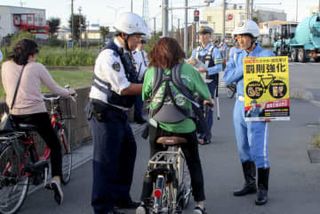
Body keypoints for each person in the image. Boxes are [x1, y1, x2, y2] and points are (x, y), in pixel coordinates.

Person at [136, 37, 212, 214]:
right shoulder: (189, 70)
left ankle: (143, 203)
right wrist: (207, 101)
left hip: (158, 126)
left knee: (153, 162)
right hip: (184, 128)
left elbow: (144, 96)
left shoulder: (151, 71)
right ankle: (200, 204)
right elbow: (206, 94)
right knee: (193, 162)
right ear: (179, 51)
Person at [1, 39, 76, 205]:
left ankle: (29, 167)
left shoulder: (5, 65)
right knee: (55, 145)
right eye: (35, 54)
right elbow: (55, 89)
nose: (35, 58)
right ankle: (56, 178)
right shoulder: (37, 67)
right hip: (36, 115)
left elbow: (12, 89)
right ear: (30, 54)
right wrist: (69, 92)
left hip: (14, 114)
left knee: (23, 142)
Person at [86, 12, 148, 214]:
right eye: (136, 36)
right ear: (123, 34)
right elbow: (124, 88)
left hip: (119, 114)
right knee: (105, 161)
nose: (139, 40)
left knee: (127, 153)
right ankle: (102, 207)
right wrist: (154, 85)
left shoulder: (124, 54)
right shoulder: (109, 55)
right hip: (104, 114)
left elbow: (138, 76)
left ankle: (121, 198)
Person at [223, 20, 275, 206]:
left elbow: (276, 82)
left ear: (252, 37)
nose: (239, 40)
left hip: (258, 105)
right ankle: (250, 182)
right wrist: (244, 66)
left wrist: (271, 110)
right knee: (243, 147)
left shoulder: (266, 54)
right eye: (237, 36)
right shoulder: (235, 54)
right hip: (239, 104)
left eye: (243, 36)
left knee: (258, 148)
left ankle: (262, 188)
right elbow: (227, 77)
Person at [190, 26, 223, 145]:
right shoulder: (195, 51)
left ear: (210, 36)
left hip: (209, 82)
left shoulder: (215, 50)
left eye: (205, 34)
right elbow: (190, 64)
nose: (202, 37)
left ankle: (206, 135)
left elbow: (220, 67)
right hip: (197, 83)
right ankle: (198, 133)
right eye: (200, 35)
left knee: (208, 108)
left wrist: (207, 70)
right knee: (195, 108)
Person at [132, 38, 149, 124]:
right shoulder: (133, 53)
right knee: (138, 99)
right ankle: (138, 117)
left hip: (145, 77)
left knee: (142, 99)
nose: (142, 44)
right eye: (140, 43)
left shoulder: (144, 53)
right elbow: (137, 67)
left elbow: (147, 64)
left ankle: (140, 116)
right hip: (138, 78)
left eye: (143, 43)